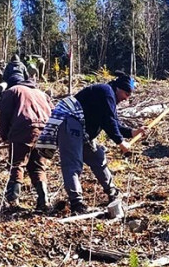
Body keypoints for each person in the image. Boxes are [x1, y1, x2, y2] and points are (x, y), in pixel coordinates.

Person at [36, 72, 146, 215]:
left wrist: (133, 132)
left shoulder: (109, 97)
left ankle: (112, 191)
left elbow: (113, 122)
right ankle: (77, 203)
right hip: (70, 121)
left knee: (97, 157)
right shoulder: (106, 92)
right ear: (118, 88)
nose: (126, 98)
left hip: (83, 130)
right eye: (126, 93)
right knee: (73, 163)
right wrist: (121, 143)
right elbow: (109, 122)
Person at [0, 78, 53, 211]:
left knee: (17, 163)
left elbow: (3, 115)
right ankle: (44, 200)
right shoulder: (42, 94)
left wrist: (4, 135)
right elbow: (54, 112)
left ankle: (13, 201)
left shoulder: (13, 91)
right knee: (38, 167)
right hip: (46, 131)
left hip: (24, 129)